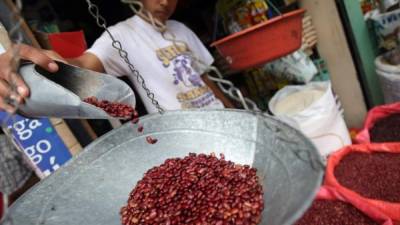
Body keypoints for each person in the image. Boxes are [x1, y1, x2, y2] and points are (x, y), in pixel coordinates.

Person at [0, 0, 234, 200]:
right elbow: (82, 66)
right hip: (186, 140)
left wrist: (235, 112)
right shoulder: (121, 35)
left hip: (223, 124)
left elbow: (205, 80)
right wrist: (53, 66)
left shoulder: (180, 29)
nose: (164, 1)